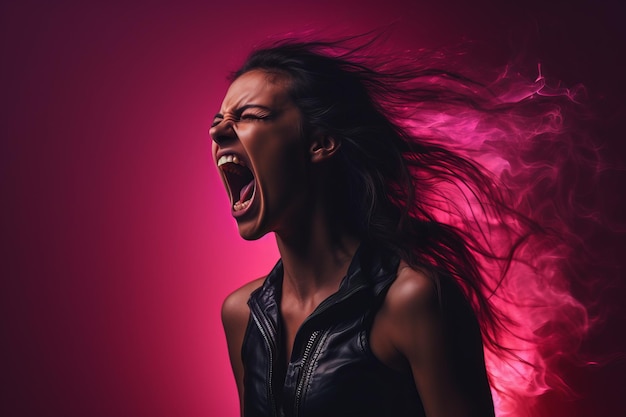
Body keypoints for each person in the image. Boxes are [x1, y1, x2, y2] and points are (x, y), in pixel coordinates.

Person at [209, 37, 584, 417]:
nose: (218, 131)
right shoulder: (242, 314)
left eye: (250, 116)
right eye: (218, 120)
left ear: (320, 143)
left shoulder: (411, 300)